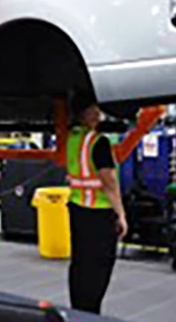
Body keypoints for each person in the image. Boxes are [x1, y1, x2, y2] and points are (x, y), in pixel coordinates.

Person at [66, 97, 128, 315]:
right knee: (98, 269)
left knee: (80, 264)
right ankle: (90, 313)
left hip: (77, 209)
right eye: (92, 110)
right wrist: (121, 214)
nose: (97, 115)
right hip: (98, 214)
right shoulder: (98, 142)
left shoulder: (71, 138)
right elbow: (109, 182)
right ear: (82, 114)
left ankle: (79, 311)